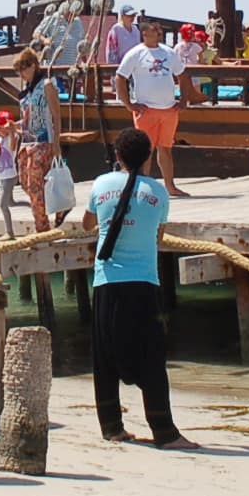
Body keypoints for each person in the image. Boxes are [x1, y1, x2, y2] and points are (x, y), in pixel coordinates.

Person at [81, 128, 195, 449]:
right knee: (151, 357)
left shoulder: (101, 184)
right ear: (149, 157)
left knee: (104, 357)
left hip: (107, 282)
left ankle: (111, 426)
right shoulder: (157, 193)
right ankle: (164, 431)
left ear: (117, 156)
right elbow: (158, 238)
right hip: (143, 282)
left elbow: (87, 224)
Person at [114, 15, 198, 197]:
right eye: (154, 29)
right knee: (145, 150)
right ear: (144, 33)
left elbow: (183, 75)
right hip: (146, 110)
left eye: (159, 29)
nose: (159, 32)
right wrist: (128, 103)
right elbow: (120, 77)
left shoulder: (168, 52)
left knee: (166, 149)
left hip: (168, 109)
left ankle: (170, 186)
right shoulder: (136, 53)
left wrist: (184, 99)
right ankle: (142, 187)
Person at [8, 49, 58, 236]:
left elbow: (56, 115)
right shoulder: (26, 93)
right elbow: (28, 121)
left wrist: (56, 142)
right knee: (24, 182)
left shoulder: (46, 85)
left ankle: (42, 227)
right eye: (18, 70)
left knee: (36, 183)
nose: (21, 74)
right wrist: (14, 126)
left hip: (44, 141)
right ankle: (45, 215)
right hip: (27, 142)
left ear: (33, 65)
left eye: (24, 68)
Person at [0, 109, 19, 239]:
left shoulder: (13, 137)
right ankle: (30, 206)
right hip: (0, 175)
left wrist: (11, 131)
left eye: (0, 129)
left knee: (3, 205)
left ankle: (9, 232)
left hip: (10, 175)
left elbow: (12, 148)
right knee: (10, 202)